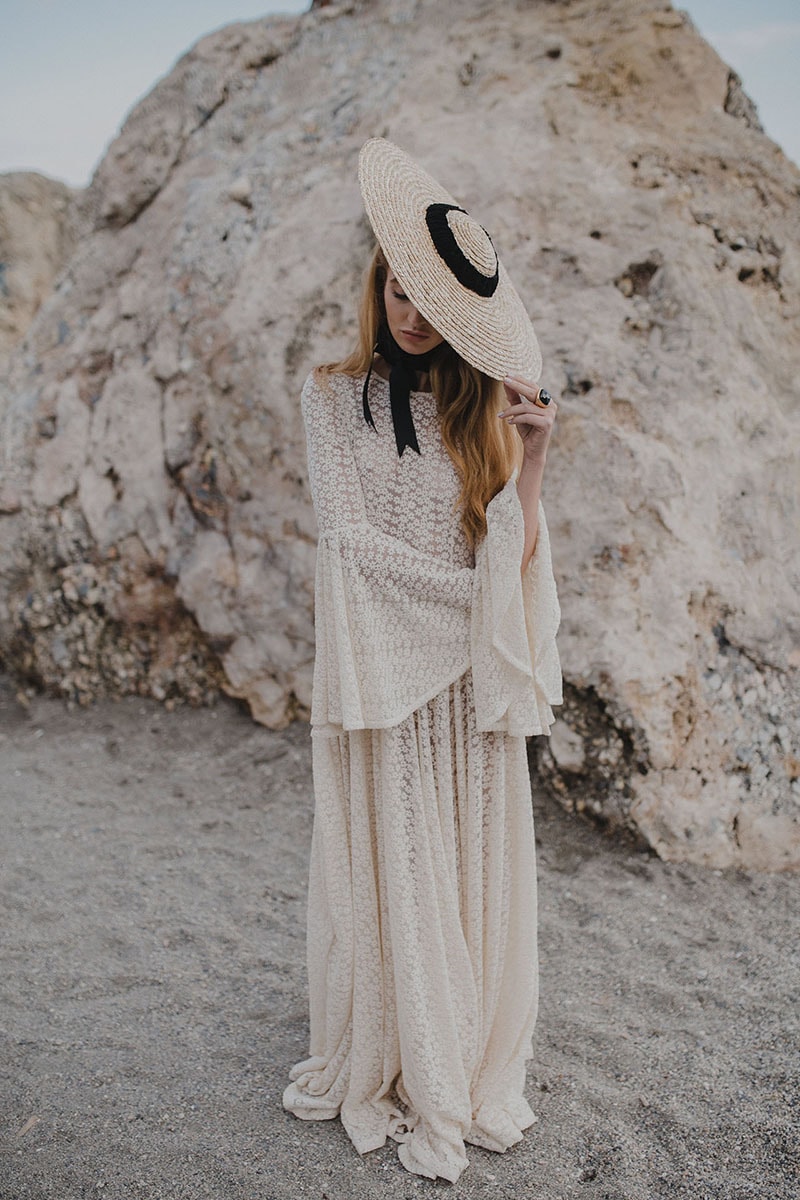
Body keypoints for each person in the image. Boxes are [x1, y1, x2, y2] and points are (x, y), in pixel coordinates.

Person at [282, 138, 562, 1184]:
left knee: (464, 876)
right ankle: (392, 1054)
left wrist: (530, 460)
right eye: (398, 286)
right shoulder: (328, 394)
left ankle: (455, 1052)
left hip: (464, 689)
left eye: (429, 298)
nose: (409, 311)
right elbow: (349, 544)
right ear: (378, 281)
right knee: (394, 868)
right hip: (386, 679)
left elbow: (517, 554)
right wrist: (476, 609)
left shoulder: (481, 405)